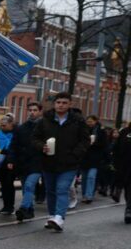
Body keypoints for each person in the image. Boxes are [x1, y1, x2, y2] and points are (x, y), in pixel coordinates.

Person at [32, 92, 90, 232]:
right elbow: (34, 138)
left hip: (69, 164)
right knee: (50, 191)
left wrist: (75, 154)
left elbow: (85, 141)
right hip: (49, 162)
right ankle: (52, 216)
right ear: (54, 104)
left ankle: (59, 217)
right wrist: (42, 146)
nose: (61, 105)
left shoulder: (78, 121)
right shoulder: (45, 120)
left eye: (64, 103)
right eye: (58, 102)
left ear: (70, 104)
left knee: (62, 189)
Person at [13, 101, 43, 222]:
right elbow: (14, 144)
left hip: (37, 162)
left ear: (40, 111)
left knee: (30, 185)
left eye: (35, 110)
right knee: (26, 188)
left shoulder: (44, 127)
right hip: (23, 162)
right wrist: (12, 159)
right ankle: (30, 211)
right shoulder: (22, 127)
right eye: (30, 110)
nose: (32, 112)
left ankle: (24, 208)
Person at [80, 114, 109, 204]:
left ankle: (89, 196)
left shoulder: (101, 131)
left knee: (91, 177)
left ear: (95, 121)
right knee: (84, 177)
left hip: (95, 157)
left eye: (91, 121)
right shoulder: (83, 130)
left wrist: (94, 143)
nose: (89, 123)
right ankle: (84, 194)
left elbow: (104, 144)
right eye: (88, 122)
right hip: (85, 157)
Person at [0, 115, 17, 215]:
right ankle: (6, 206)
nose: (2, 127)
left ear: (10, 124)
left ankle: (10, 206)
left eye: (4, 125)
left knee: (9, 184)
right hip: (1, 162)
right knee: (4, 185)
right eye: (1, 125)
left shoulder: (15, 135)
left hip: (12, 162)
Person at [112, 125, 131, 223]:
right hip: (125, 166)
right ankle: (129, 206)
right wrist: (115, 163)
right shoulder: (125, 131)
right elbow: (117, 148)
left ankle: (129, 209)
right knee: (128, 188)